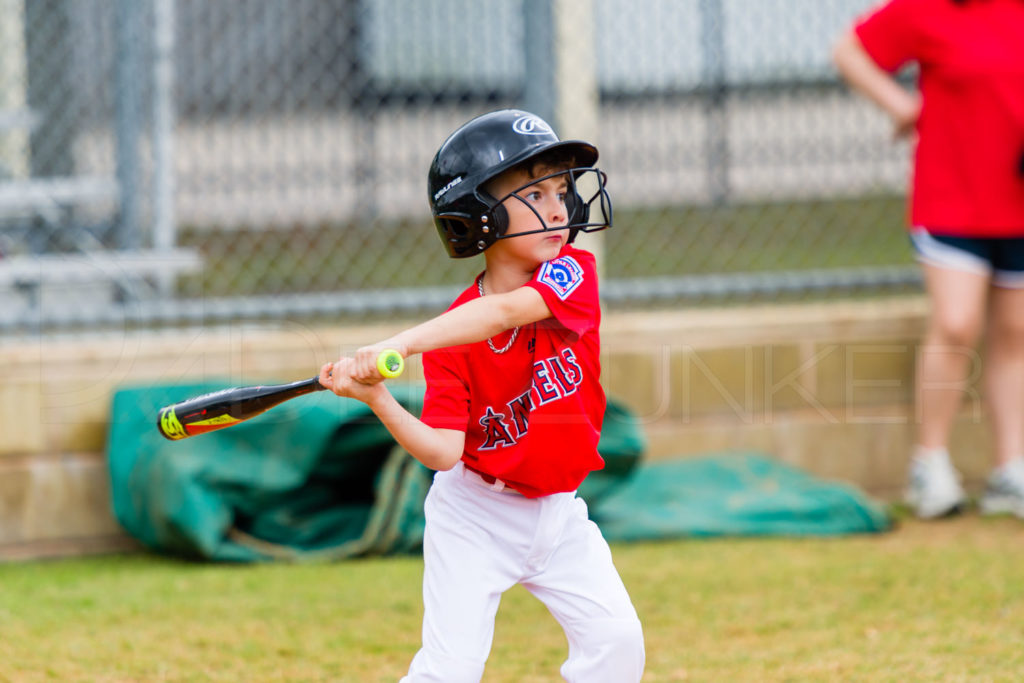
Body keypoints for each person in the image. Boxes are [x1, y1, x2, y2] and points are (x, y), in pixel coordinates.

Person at [318, 109, 645, 682]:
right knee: (452, 667)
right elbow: (445, 453)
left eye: (561, 192)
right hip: (476, 516)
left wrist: (395, 344)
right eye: (534, 193)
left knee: (617, 646)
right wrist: (378, 399)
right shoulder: (450, 340)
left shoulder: (573, 274)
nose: (556, 209)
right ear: (478, 217)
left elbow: (502, 313)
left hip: (559, 514)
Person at [833, 0, 1024, 519]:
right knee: (957, 323)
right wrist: (903, 108)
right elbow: (850, 51)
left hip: (1018, 198)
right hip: (952, 199)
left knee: (1013, 333)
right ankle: (930, 465)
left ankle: (1010, 469)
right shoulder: (926, 9)